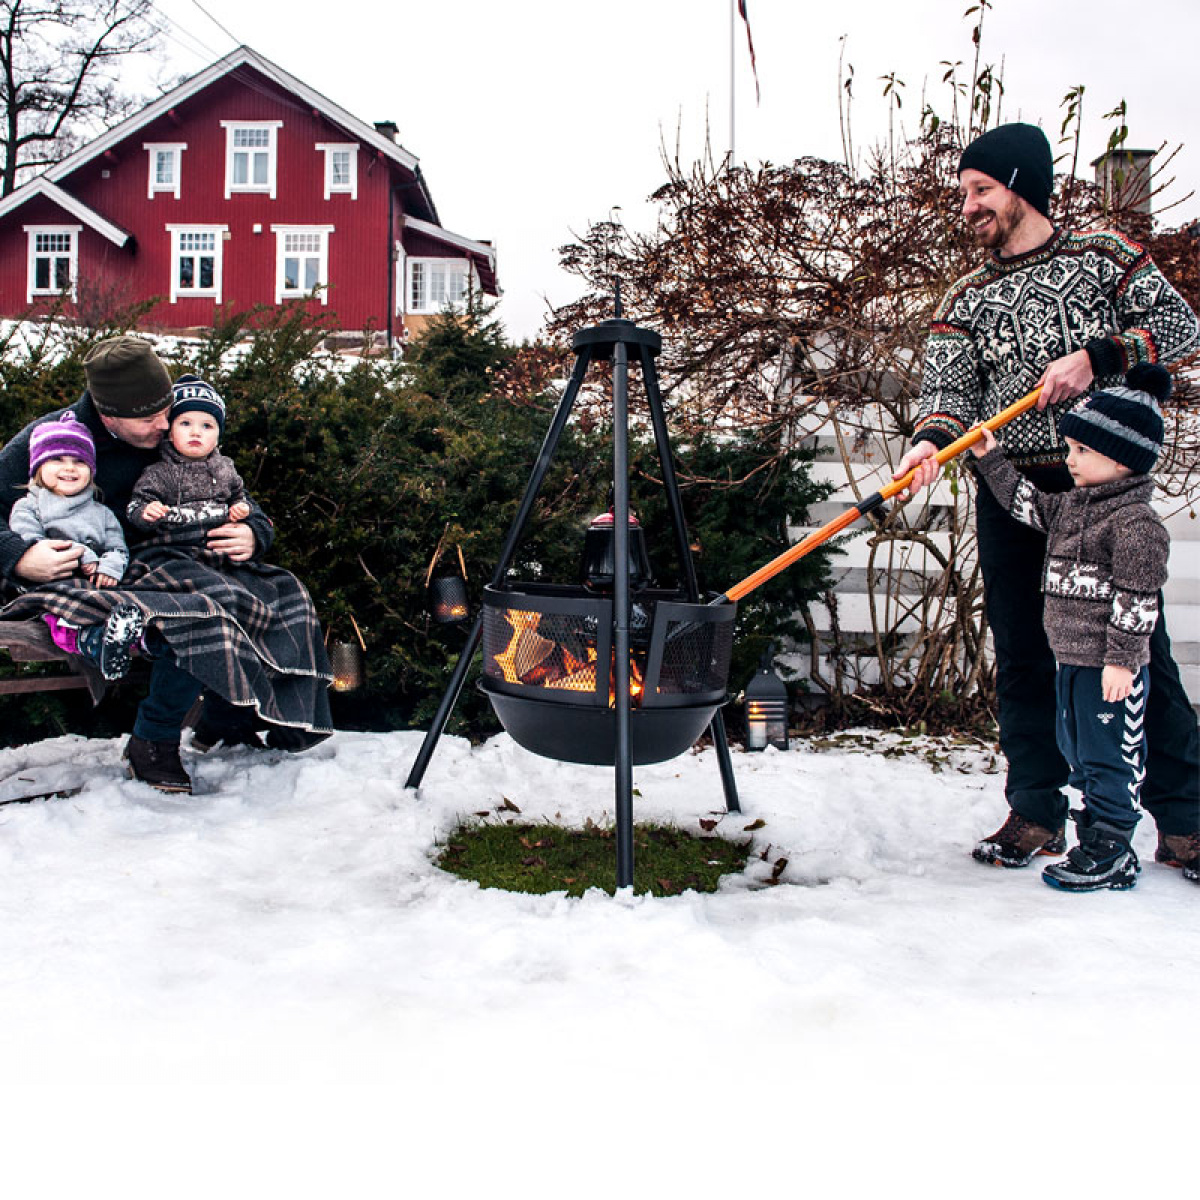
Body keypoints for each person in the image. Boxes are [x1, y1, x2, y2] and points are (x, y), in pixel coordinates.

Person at [894, 121, 1200, 885]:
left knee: (1137, 654)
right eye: (965, 193)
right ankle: (1036, 808)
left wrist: (1096, 358)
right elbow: (948, 394)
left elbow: (1179, 325)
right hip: (1012, 494)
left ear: (1023, 183)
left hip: (1101, 494)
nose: (967, 207)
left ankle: (1186, 818)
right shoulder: (967, 295)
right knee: (1024, 654)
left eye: (980, 190)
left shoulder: (1103, 258)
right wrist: (932, 441)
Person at [1, 335, 332, 793]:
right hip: (95, 575)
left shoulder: (169, 430)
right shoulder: (54, 441)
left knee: (277, 591)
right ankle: (152, 740)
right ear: (109, 416)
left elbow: (229, 489)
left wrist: (253, 531)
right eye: (153, 416)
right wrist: (19, 557)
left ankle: (234, 716)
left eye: (169, 409)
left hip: (177, 561)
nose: (166, 422)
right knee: (196, 610)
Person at [969, 365, 1171, 889]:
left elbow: (1138, 599)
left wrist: (1123, 661)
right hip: (1073, 663)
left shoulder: (1135, 526)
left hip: (1111, 669)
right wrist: (991, 458)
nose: (1068, 459)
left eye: (1082, 450)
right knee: (1079, 753)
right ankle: (1090, 834)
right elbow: (1025, 503)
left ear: (1122, 459)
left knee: (1110, 757)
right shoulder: (1072, 508)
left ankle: (1113, 845)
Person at [4, 409, 149, 681]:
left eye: (79, 462)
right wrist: (84, 556)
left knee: (122, 593)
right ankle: (88, 641)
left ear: (91, 472)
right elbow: (31, 542)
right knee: (61, 605)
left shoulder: (101, 512)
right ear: (38, 468)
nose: (69, 468)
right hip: (50, 580)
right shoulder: (28, 506)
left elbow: (117, 548)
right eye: (57, 459)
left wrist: (109, 568)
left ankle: (134, 638)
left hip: (94, 582)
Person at [127, 374, 251, 535]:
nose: (196, 432)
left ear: (217, 438)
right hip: (172, 546)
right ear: (170, 433)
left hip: (217, 544)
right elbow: (136, 505)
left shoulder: (225, 469)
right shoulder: (159, 473)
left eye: (207, 426)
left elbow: (238, 495)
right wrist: (146, 512)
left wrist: (240, 508)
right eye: (185, 423)